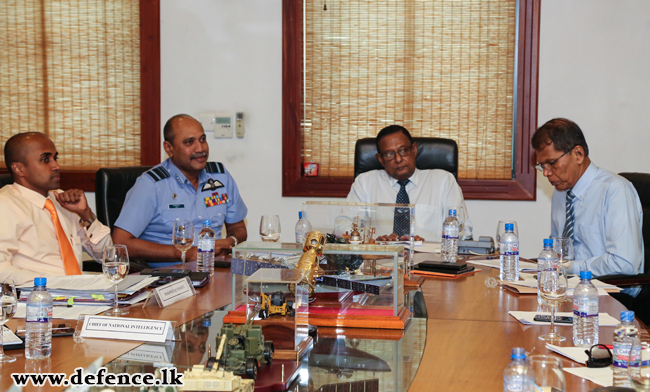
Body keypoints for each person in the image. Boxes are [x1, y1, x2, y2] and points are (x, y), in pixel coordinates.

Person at [113, 114, 247, 266]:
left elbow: (238, 228)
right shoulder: (151, 185)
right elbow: (120, 243)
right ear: (169, 148)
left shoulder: (220, 176)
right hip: (169, 278)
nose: (200, 148)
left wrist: (230, 241)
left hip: (216, 270)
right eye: (189, 142)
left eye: (202, 139)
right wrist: (183, 253)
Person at [532, 118, 644, 278]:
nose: (546, 173)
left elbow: (624, 264)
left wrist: (569, 267)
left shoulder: (615, 190)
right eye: (542, 166)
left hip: (612, 290)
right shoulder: (560, 193)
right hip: (569, 285)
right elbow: (558, 253)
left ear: (578, 154)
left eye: (552, 163)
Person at [0, 132, 112, 285]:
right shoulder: (5, 205)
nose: (56, 166)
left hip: (78, 294)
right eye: (45, 159)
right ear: (19, 169)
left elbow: (108, 257)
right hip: (38, 297)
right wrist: (49, 283)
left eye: (55, 158)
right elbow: (2, 270)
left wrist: (86, 214)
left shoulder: (62, 200)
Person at [346, 125, 472, 241]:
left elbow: (464, 231)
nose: (398, 159)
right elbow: (343, 224)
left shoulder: (443, 181)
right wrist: (372, 242)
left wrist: (429, 244)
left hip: (428, 262)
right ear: (380, 159)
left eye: (403, 150)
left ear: (414, 150)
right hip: (381, 260)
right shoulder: (365, 183)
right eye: (389, 154)